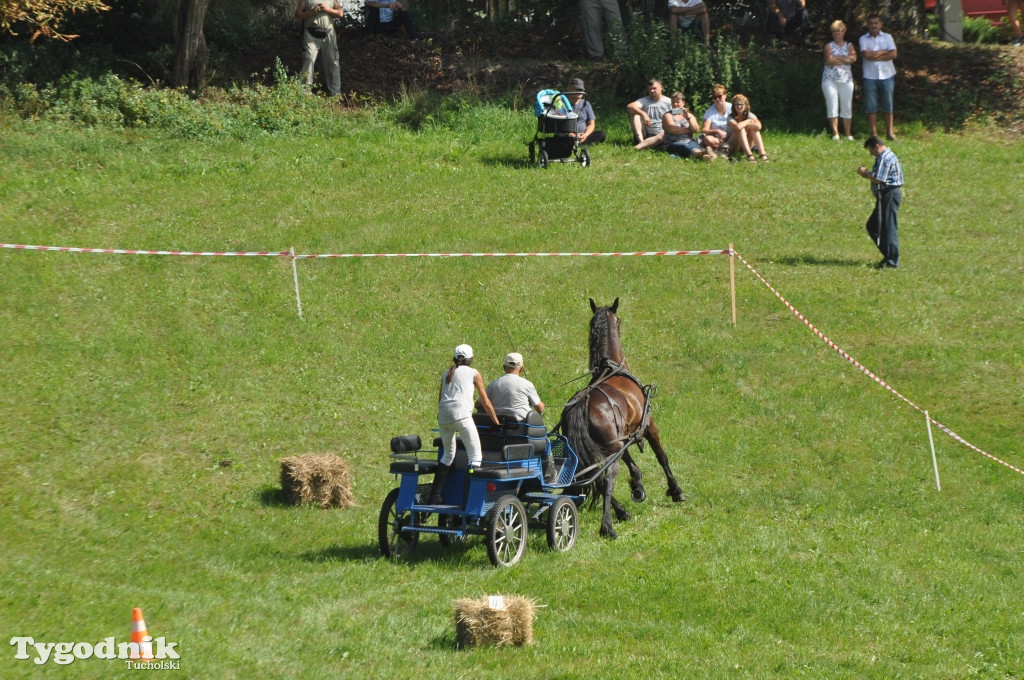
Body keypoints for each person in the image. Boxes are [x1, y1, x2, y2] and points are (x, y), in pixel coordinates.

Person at [430, 344, 500, 503]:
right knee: (475, 457)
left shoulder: (446, 373)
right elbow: (486, 402)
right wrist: (496, 422)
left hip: (443, 418)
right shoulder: (474, 373)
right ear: (471, 359)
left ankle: (434, 496)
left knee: (448, 456)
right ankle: (468, 500)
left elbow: (440, 399)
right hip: (461, 416)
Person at [482, 352, 557, 483]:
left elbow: (479, 404)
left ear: (504, 367)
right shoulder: (526, 384)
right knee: (546, 443)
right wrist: (542, 405)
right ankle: (550, 477)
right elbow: (539, 408)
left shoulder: (493, 384)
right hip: (521, 433)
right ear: (521, 368)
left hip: (499, 433)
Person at [857, 136, 903, 269]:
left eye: (871, 151)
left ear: (876, 146)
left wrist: (864, 173)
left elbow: (879, 178)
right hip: (885, 196)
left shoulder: (884, 157)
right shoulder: (886, 156)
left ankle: (892, 261)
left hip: (888, 195)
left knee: (888, 228)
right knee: (873, 226)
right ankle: (889, 255)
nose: (871, 154)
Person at [859, 15, 898, 141]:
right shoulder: (863, 39)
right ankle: (874, 134)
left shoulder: (888, 37)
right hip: (870, 76)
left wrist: (875, 54)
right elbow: (866, 55)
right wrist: (883, 51)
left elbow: (893, 54)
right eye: (871, 23)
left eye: (876, 23)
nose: (873, 25)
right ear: (867, 24)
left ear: (880, 24)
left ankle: (890, 133)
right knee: (871, 107)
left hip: (887, 75)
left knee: (888, 105)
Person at [295, 0, 344, 96]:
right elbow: (297, 15)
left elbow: (340, 13)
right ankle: (305, 92)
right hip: (310, 34)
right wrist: (310, 12)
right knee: (308, 59)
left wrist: (328, 9)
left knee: (333, 61)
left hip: (329, 33)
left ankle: (335, 93)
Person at [822, 19, 857, 141]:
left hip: (846, 80)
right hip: (829, 80)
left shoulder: (849, 45)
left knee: (846, 106)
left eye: (839, 31)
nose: (837, 33)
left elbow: (853, 58)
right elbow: (829, 60)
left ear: (844, 31)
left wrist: (837, 58)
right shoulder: (828, 46)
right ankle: (835, 133)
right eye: (834, 31)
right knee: (832, 105)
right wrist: (845, 58)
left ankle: (848, 134)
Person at [662, 92, 713, 161]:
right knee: (684, 146)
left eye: (678, 102)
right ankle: (702, 154)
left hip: (689, 140)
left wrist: (688, 118)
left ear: (683, 102)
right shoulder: (667, 115)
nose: (675, 104)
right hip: (673, 142)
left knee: (694, 146)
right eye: (673, 102)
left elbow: (696, 129)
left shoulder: (690, 115)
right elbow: (672, 129)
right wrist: (689, 130)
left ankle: (703, 155)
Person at [627, 79, 673, 150]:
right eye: (649, 89)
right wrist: (644, 114)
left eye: (654, 88)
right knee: (634, 113)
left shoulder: (669, 102)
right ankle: (641, 142)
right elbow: (629, 107)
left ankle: (640, 147)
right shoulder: (645, 100)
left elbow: (681, 114)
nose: (652, 91)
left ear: (661, 87)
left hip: (661, 134)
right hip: (646, 133)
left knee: (664, 134)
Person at [727, 94, 770, 162]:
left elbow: (758, 126)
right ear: (733, 106)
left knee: (754, 130)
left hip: (748, 144)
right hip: (735, 145)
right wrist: (748, 121)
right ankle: (750, 156)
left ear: (746, 105)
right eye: (736, 104)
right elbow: (738, 127)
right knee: (741, 130)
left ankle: (763, 154)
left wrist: (747, 124)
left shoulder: (750, 115)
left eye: (741, 104)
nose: (739, 106)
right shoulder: (730, 117)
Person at [565, 78, 605, 146]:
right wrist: (572, 135)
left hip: (583, 135)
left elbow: (591, 124)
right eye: (577, 89)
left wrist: (585, 135)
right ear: (569, 89)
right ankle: (574, 143)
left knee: (601, 134)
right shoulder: (561, 104)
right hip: (567, 135)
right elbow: (558, 127)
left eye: (581, 90)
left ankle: (580, 142)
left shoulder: (586, 104)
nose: (579, 91)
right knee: (561, 138)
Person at [700, 83, 732, 157]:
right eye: (715, 97)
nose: (717, 99)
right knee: (707, 139)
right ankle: (723, 150)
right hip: (717, 139)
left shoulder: (731, 108)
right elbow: (704, 130)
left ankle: (718, 151)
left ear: (725, 96)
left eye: (719, 96)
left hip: (731, 137)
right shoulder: (710, 111)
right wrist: (717, 131)